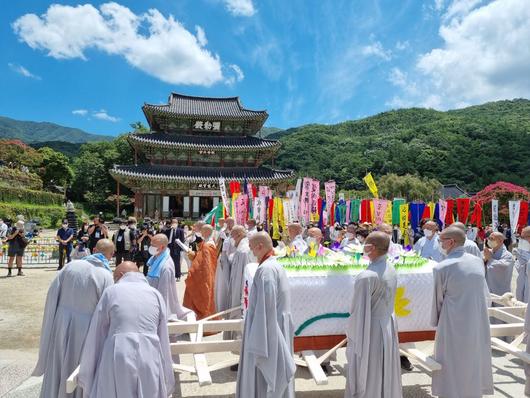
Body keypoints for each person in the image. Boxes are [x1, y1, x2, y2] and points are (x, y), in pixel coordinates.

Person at [78, 262, 175, 398]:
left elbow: (97, 332)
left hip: (118, 353)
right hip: (150, 353)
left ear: (121, 275)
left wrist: (90, 369)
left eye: (114, 277)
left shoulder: (111, 292)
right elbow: (163, 335)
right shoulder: (155, 294)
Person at [32, 239, 115, 398]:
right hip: (86, 326)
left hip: (61, 321)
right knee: (77, 364)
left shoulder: (70, 266)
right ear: (110, 255)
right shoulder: (105, 275)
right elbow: (106, 309)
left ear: (94, 249)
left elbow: (52, 295)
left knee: (58, 360)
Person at [431, 226, 493, 398]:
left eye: (441, 240)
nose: (439, 243)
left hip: (452, 320)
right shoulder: (477, 261)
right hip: (476, 318)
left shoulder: (442, 267)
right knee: (472, 357)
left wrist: (435, 323)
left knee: (452, 360)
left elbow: (437, 300)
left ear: (451, 242)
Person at [236, 232, 296, 398]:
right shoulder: (274, 265)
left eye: (252, 247)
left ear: (260, 246)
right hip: (275, 325)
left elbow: (265, 309)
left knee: (263, 377)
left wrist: (260, 342)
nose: (251, 251)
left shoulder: (266, 270)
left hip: (267, 330)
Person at [344, 232, 402, 398]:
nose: (363, 246)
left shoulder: (367, 277)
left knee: (370, 368)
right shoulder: (390, 268)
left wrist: (351, 332)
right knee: (383, 368)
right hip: (386, 324)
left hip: (371, 329)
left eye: (366, 244)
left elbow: (358, 312)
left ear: (373, 248)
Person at [146, 233, 191, 321]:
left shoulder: (165, 266)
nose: (150, 247)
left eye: (153, 245)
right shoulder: (157, 257)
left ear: (162, 247)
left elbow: (164, 292)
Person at [225, 226, 253, 342]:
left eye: (233, 236)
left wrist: (243, 295)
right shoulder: (240, 249)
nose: (231, 239)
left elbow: (246, 275)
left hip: (240, 290)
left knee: (239, 318)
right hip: (236, 286)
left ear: (239, 235)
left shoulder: (243, 251)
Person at [184, 225, 218, 319]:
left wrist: (194, 258)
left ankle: (203, 321)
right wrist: (194, 255)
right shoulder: (206, 243)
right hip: (204, 275)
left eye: (202, 231)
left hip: (203, 277)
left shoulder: (208, 246)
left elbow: (204, 265)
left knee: (203, 300)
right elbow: (201, 259)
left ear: (206, 232)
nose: (201, 233)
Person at [484, 231, 514, 296]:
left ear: (500, 241)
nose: (489, 240)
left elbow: (503, 267)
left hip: (500, 289)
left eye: (492, 239)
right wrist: (484, 260)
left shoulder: (507, 255)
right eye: (488, 238)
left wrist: (490, 259)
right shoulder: (489, 252)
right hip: (488, 286)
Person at [515, 226, 530, 303]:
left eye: (523, 237)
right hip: (523, 285)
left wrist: (526, 261)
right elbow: (518, 267)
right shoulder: (523, 250)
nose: (521, 239)